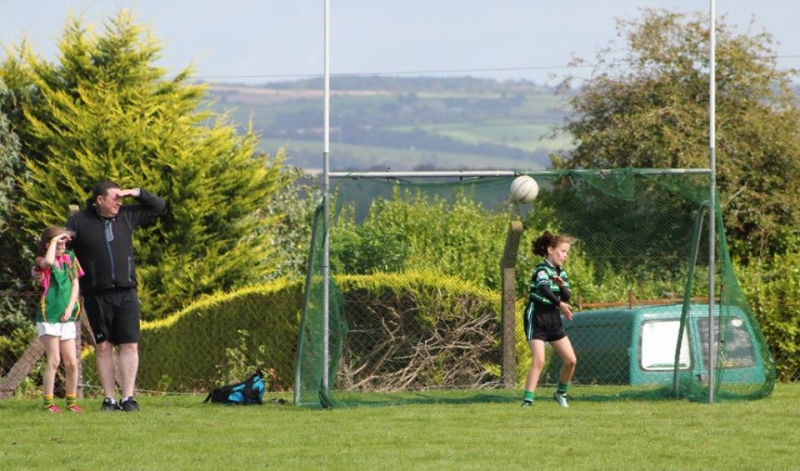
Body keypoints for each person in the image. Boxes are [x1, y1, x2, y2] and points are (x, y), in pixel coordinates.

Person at [65, 180, 165, 412]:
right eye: (115, 198)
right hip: (96, 294)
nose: (120, 202)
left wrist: (136, 192)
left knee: (130, 345)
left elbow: (158, 206)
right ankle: (109, 399)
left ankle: (128, 397)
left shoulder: (126, 215)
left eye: (121, 198)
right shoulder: (78, 221)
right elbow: (62, 249)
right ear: (100, 200)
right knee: (103, 347)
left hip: (126, 291)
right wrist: (43, 267)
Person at [521, 231, 577, 408]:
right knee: (539, 360)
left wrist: (561, 286)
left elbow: (567, 295)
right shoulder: (541, 270)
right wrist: (561, 304)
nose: (565, 255)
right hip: (536, 317)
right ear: (550, 250)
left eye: (567, 252)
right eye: (563, 251)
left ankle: (561, 393)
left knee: (571, 361)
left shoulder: (561, 272)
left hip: (553, 319)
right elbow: (544, 289)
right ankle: (527, 402)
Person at [35, 226, 84, 412]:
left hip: (67, 317)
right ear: (49, 245)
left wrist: (70, 308)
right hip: (48, 316)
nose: (63, 246)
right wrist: (54, 241)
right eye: (59, 243)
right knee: (54, 360)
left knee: (71, 362)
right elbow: (47, 262)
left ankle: (71, 402)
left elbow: (75, 284)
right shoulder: (41, 260)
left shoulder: (70, 258)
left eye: (64, 243)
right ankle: (49, 403)